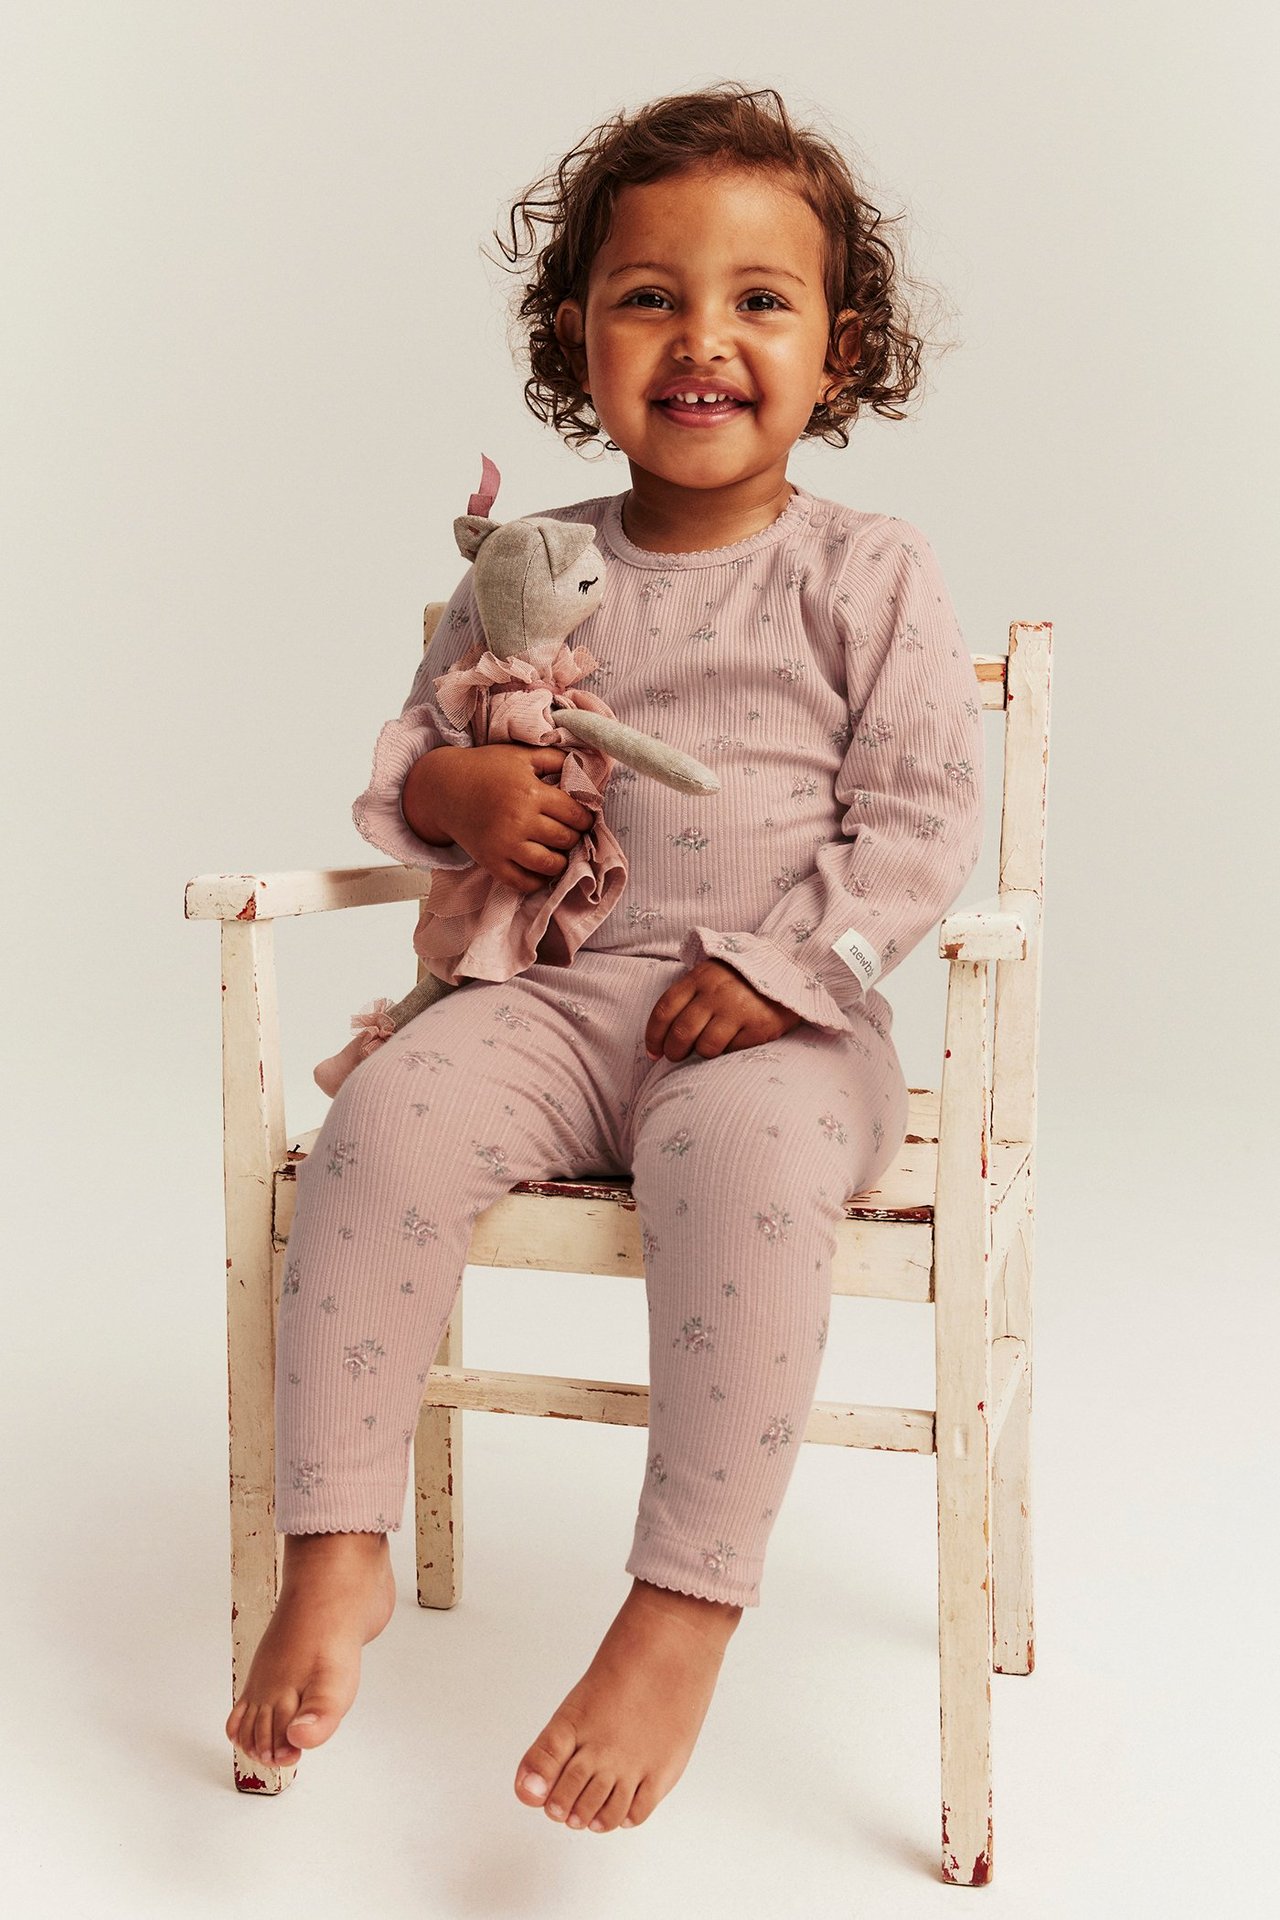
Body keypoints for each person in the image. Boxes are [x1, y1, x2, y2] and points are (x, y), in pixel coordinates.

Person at [225, 81, 984, 1836]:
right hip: (555, 1001)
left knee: (735, 1158)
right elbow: (409, 764)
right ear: (579, 333)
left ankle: (684, 1602)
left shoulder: (863, 569)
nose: (702, 338)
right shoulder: (528, 566)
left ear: (837, 349)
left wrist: (798, 971)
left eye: (759, 300)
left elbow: (925, 814)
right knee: (386, 1125)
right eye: (651, 295)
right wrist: (460, 788)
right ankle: (337, 1540)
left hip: (782, 1020)